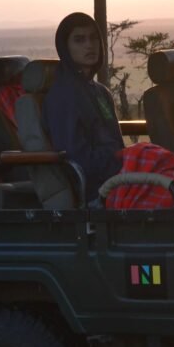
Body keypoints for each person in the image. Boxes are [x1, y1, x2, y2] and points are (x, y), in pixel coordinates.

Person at [43, 12, 123, 203]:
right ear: (65, 47)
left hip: (118, 178)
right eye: (79, 40)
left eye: (94, 38)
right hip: (97, 191)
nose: (89, 45)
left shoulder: (99, 92)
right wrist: (121, 161)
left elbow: (115, 142)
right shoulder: (64, 95)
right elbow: (76, 159)